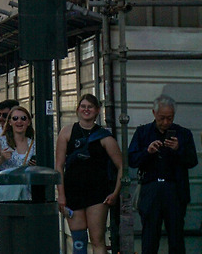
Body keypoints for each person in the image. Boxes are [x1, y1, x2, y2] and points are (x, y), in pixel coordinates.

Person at [128, 95, 198, 254]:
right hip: (150, 189)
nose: (166, 122)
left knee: (176, 237)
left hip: (175, 190)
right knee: (149, 238)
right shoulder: (143, 132)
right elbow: (132, 160)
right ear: (154, 113)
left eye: (170, 118)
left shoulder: (184, 134)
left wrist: (178, 149)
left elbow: (192, 161)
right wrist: (147, 152)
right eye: (162, 118)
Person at [55, 93, 123, 254]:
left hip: (97, 195)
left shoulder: (105, 137)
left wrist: (115, 193)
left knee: (97, 240)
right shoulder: (66, 132)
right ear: (78, 109)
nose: (86, 110)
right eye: (83, 106)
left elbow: (121, 167)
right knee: (78, 240)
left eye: (90, 107)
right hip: (73, 193)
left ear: (97, 111)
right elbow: (58, 166)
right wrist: (61, 195)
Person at [0, 105, 38, 254]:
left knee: (26, 238)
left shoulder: (34, 143)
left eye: (23, 118)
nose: (19, 122)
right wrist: (0, 159)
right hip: (7, 198)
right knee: (7, 237)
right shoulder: (0, 142)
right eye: (15, 118)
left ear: (29, 122)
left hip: (29, 197)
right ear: (10, 122)